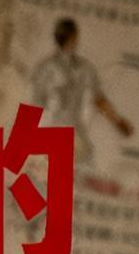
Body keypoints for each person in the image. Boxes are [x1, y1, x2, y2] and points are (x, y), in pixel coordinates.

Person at [30, 17, 132, 168]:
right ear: (74, 38)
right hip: (60, 134)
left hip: (68, 134)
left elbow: (36, 105)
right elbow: (99, 100)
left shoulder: (48, 68)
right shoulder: (73, 69)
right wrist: (117, 121)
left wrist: (117, 121)